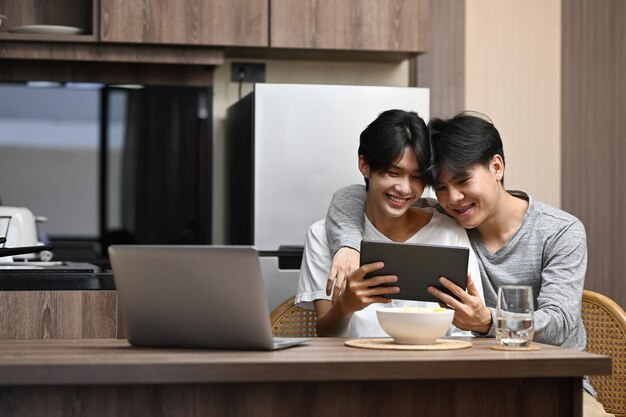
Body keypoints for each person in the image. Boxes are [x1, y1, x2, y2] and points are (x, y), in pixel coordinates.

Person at [323, 112, 611, 416]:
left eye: (463, 181)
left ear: (496, 166)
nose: (454, 198)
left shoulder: (560, 231)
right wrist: (347, 244)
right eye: (442, 188)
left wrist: (488, 321)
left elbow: (560, 324)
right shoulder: (447, 223)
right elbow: (355, 193)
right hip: (482, 383)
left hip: (556, 382)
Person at [295, 109, 483, 337]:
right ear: (365, 165)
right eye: (394, 173)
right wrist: (346, 306)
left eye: (416, 178)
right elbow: (325, 334)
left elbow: (466, 331)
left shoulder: (449, 232)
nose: (404, 189)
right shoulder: (323, 237)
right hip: (356, 368)